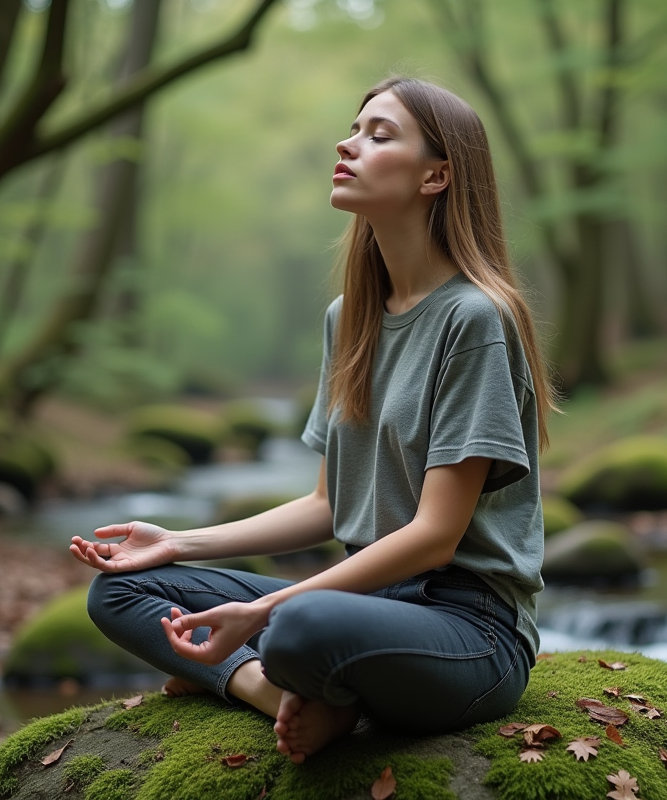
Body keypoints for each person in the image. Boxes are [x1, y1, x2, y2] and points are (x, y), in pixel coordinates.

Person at [70, 76, 558, 763]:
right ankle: (277, 694)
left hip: (470, 632)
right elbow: (329, 505)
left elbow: (435, 537)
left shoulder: (474, 318)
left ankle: (281, 667)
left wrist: (262, 613)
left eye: (378, 135)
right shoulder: (349, 319)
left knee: (299, 622)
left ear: (437, 175)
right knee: (121, 590)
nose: (347, 143)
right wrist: (177, 543)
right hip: (372, 607)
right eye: (353, 129)